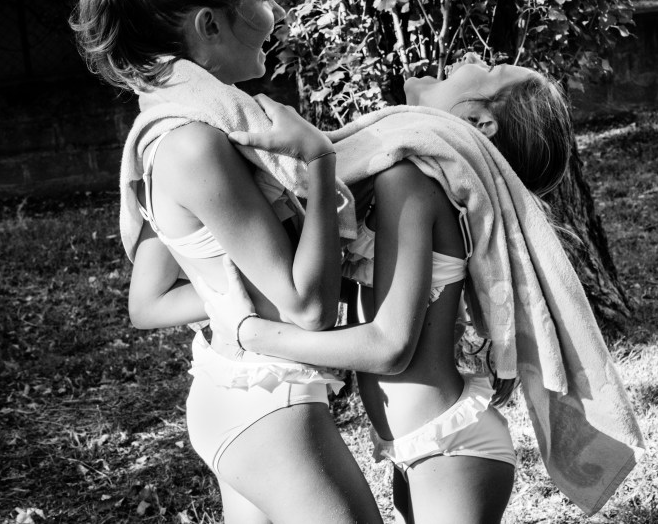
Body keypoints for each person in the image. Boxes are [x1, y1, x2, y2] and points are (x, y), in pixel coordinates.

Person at [70, 0, 383, 524]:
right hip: (267, 405)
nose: (278, 13)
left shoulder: (168, 129)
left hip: (238, 393)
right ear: (209, 25)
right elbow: (307, 309)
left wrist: (230, 297)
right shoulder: (195, 144)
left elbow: (154, 299)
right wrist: (318, 162)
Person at [202, 58, 574, 524]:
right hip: (428, 444)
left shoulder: (410, 180)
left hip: (449, 446)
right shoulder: (419, 179)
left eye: (491, 68)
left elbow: (389, 347)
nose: (472, 59)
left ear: (480, 122)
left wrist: (253, 334)